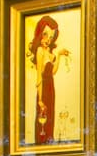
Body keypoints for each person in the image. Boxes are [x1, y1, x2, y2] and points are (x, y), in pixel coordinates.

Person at [28, 15, 70, 144]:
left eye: (50, 36)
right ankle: (41, 141)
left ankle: (49, 140)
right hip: (44, 89)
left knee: (50, 114)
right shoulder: (40, 51)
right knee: (43, 115)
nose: (47, 39)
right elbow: (39, 75)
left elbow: (53, 72)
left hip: (51, 86)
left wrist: (58, 55)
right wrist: (40, 99)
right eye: (45, 35)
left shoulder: (50, 53)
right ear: (40, 34)